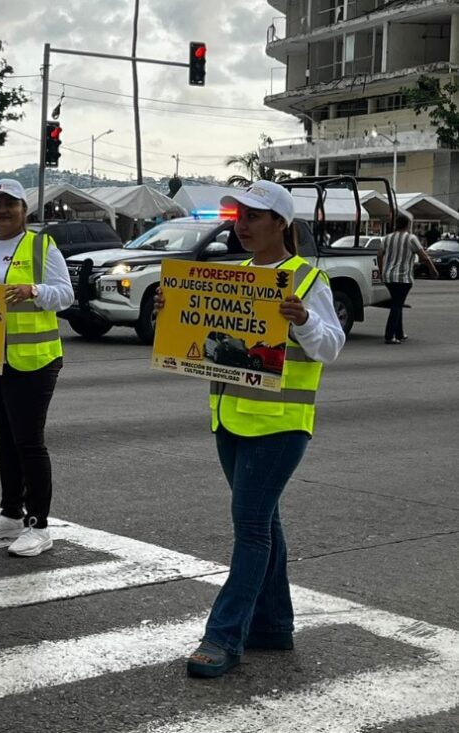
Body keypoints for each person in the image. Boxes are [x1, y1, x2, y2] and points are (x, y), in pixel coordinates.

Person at [154, 181, 345, 678]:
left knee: (252, 528)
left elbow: (330, 347)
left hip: (280, 425)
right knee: (265, 524)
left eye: (255, 216)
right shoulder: (231, 278)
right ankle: (274, 626)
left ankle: (223, 637)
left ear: (280, 223)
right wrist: (169, 318)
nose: (242, 224)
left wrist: (302, 320)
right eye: (239, 215)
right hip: (229, 418)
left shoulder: (305, 279)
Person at [0, 179, 75, 557]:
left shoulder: (41, 246)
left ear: (24, 210)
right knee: (4, 437)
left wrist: (35, 291)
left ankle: (38, 525)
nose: (2, 211)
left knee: (28, 441)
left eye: (10, 204)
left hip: (33, 361)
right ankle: (11, 513)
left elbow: (66, 294)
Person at [378, 213, 437, 344]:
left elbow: (379, 255)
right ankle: (389, 335)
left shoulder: (387, 238)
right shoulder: (411, 239)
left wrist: (382, 271)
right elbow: (424, 257)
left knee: (397, 303)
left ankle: (399, 333)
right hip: (403, 278)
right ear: (408, 225)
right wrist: (433, 270)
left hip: (388, 276)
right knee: (397, 305)